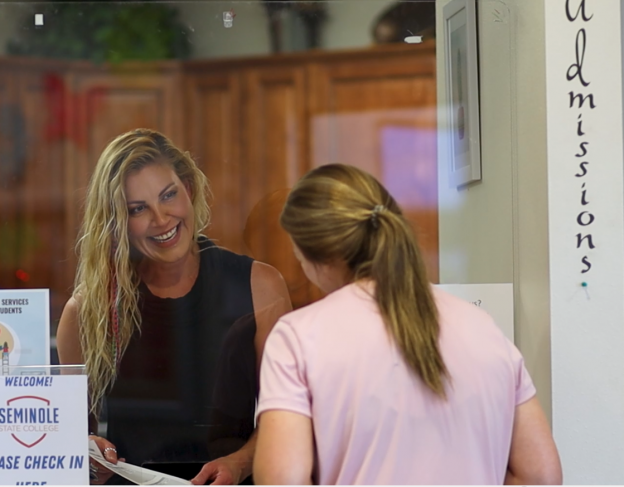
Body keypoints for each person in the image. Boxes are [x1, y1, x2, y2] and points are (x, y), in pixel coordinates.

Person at [254, 164, 562, 485]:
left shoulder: (297, 339)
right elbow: (541, 476)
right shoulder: (483, 328)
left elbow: (283, 480)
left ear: (312, 253)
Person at [56, 129, 292, 485]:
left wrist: (241, 462)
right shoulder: (87, 310)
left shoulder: (260, 286)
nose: (162, 218)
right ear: (118, 222)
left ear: (189, 189)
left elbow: (287, 414)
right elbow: (71, 435)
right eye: (138, 209)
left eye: (169, 195)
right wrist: (88, 450)